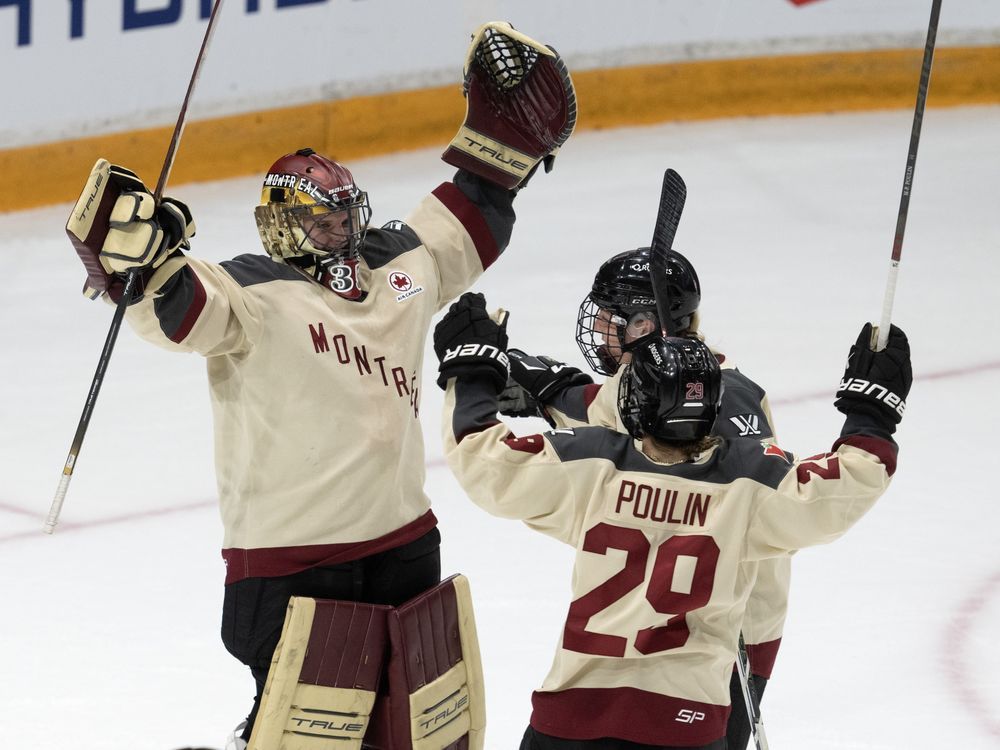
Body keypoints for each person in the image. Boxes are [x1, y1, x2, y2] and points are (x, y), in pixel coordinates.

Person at [64, 21, 576, 747]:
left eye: (344, 214)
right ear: (280, 225)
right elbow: (178, 309)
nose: (339, 228)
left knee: (409, 734)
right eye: (321, 219)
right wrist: (141, 267)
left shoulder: (398, 268)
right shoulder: (249, 293)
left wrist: (505, 150)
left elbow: (472, 216)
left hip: (403, 544)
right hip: (290, 563)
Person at [433, 291, 910, 749]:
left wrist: (472, 372)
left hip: (569, 721)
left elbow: (483, 459)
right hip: (686, 727)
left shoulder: (592, 466)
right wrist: (871, 411)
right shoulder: (751, 485)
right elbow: (851, 481)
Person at [498, 246, 785, 749]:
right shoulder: (686, 383)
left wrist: (540, 392)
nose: (603, 328)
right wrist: (549, 388)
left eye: (613, 318)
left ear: (647, 322)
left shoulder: (717, 405)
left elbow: (611, 430)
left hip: (719, 637)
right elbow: (605, 411)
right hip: (672, 632)